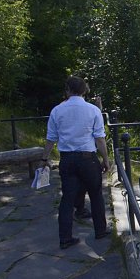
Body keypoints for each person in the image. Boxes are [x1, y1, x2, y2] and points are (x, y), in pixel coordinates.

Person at [41, 76, 111, 249]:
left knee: (67, 199)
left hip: (67, 159)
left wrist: (44, 158)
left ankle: (65, 238)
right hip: (88, 158)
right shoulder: (93, 110)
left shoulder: (57, 110)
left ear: (67, 89)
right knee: (95, 195)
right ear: (84, 90)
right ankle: (100, 230)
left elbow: (51, 138)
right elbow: (100, 139)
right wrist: (106, 160)